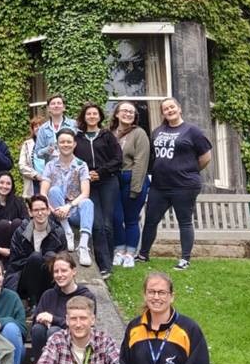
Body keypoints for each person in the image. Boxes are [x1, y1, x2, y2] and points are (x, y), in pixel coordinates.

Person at [137, 98, 213, 271]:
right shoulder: (157, 131)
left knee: (184, 222)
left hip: (184, 186)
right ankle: (143, 254)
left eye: (172, 107)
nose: (169, 110)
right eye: (165, 109)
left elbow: (206, 156)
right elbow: (153, 157)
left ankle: (185, 259)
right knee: (150, 220)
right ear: (162, 113)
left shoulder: (192, 131)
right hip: (159, 186)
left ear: (179, 109)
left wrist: (190, 170)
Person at [29, 252, 93, 364]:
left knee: (55, 331)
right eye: (56, 271)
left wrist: (53, 319)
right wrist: (43, 321)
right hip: (47, 348)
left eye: (64, 270)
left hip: (75, 347)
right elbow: (35, 321)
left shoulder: (86, 296)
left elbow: (85, 326)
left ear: (74, 271)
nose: (59, 275)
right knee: (38, 329)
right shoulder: (48, 295)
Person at [73, 103, 123, 278]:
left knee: (108, 224)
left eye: (95, 114)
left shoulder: (107, 136)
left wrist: (100, 172)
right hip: (88, 184)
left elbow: (118, 159)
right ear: (84, 117)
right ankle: (102, 264)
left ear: (100, 117)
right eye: (89, 114)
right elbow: (74, 159)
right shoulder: (78, 138)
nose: (92, 116)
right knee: (97, 223)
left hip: (108, 181)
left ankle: (108, 264)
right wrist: (87, 173)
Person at [40, 128, 95, 264]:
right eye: (62, 142)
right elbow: (43, 192)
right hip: (56, 210)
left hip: (74, 210)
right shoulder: (50, 165)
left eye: (69, 142)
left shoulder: (81, 165)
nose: (66, 144)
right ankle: (67, 232)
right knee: (53, 190)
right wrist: (53, 209)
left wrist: (68, 206)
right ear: (57, 144)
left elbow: (85, 193)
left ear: (74, 144)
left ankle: (83, 245)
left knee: (87, 202)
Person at [5, 194, 67, 308]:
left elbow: (65, 261)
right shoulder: (20, 232)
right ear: (30, 213)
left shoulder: (58, 233)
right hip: (24, 280)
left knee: (51, 256)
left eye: (43, 209)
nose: (40, 213)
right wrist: (36, 262)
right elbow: (14, 263)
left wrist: (46, 261)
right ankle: (33, 303)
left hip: (49, 279)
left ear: (48, 210)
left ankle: (45, 301)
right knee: (35, 257)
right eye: (36, 210)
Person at [111, 102, 150, 268]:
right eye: (124, 111)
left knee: (131, 219)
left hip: (133, 178)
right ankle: (119, 250)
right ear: (117, 114)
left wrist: (136, 187)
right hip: (114, 181)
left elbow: (141, 161)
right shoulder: (110, 133)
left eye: (131, 112)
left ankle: (130, 253)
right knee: (116, 217)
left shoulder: (139, 133)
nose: (128, 114)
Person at [34, 94, 76, 169]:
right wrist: (48, 149)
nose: (56, 106)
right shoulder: (43, 129)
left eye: (59, 103)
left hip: (72, 169)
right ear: (48, 109)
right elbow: (38, 153)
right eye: (53, 104)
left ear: (64, 107)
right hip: (52, 171)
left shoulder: (74, 125)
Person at [17, 115, 46, 197]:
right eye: (35, 126)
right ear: (33, 129)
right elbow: (22, 165)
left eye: (41, 125)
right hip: (33, 183)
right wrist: (36, 175)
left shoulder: (52, 143)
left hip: (49, 182)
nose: (38, 128)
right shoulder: (27, 145)